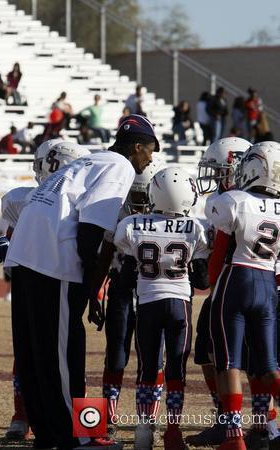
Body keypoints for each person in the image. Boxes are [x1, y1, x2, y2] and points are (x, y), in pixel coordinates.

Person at [4, 114, 159, 450]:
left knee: (35, 353)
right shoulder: (119, 167)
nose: (150, 159)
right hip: (54, 260)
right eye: (150, 151)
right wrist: (92, 290)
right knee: (65, 355)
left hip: (27, 254)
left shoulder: (90, 160)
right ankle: (78, 436)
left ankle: (46, 434)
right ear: (136, 147)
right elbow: (90, 233)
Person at [0, 139, 89, 442]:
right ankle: (76, 429)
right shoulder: (42, 198)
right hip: (54, 281)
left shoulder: (28, 198)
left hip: (49, 281)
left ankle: (55, 426)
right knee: (61, 355)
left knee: (50, 355)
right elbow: (5, 238)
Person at [114, 166, 209, 450]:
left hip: (148, 303)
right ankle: (173, 430)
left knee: (147, 367)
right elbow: (203, 279)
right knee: (175, 369)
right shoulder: (196, 228)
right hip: (179, 304)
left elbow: (126, 270)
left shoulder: (133, 224)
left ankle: (144, 431)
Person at [208, 141, 280, 450]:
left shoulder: (234, 200)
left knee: (230, 363)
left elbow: (218, 255)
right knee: (269, 366)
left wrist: (212, 287)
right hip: (267, 284)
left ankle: (233, 436)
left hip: (236, 279)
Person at [89, 154, 166, 433]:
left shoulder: (169, 215)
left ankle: (147, 419)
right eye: (134, 192)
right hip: (122, 288)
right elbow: (105, 256)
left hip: (153, 291)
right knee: (116, 353)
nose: (139, 199)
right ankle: (108, 417)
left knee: (153, 357)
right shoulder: (119, 212)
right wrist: (95, 292)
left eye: (143, 192)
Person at [187, 137, 252, 447]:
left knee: (253, 361)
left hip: (241, 285)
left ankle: (264, 425)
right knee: (207, 351)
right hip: (230, 287)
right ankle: (226, 419)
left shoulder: (243, 200)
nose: (213, 177)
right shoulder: (231, 199)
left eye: (219, 170)